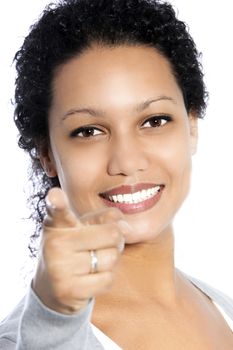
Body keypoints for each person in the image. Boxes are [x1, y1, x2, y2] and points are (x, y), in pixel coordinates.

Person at [0, 0, 233, 348]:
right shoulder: (25, 340)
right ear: (46, 153)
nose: (126, 161)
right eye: (89, 131)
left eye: (154, 121)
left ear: (192, 127)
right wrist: (53, 320)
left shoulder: (220, 305)